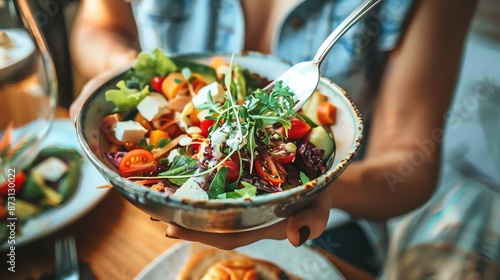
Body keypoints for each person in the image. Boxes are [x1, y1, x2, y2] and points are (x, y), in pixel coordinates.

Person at [69, 0, 479, 251]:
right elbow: (98, 26)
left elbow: (412, 163)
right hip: (147, 222)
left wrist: (320, 188)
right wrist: (119, 73)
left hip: (329, 234)